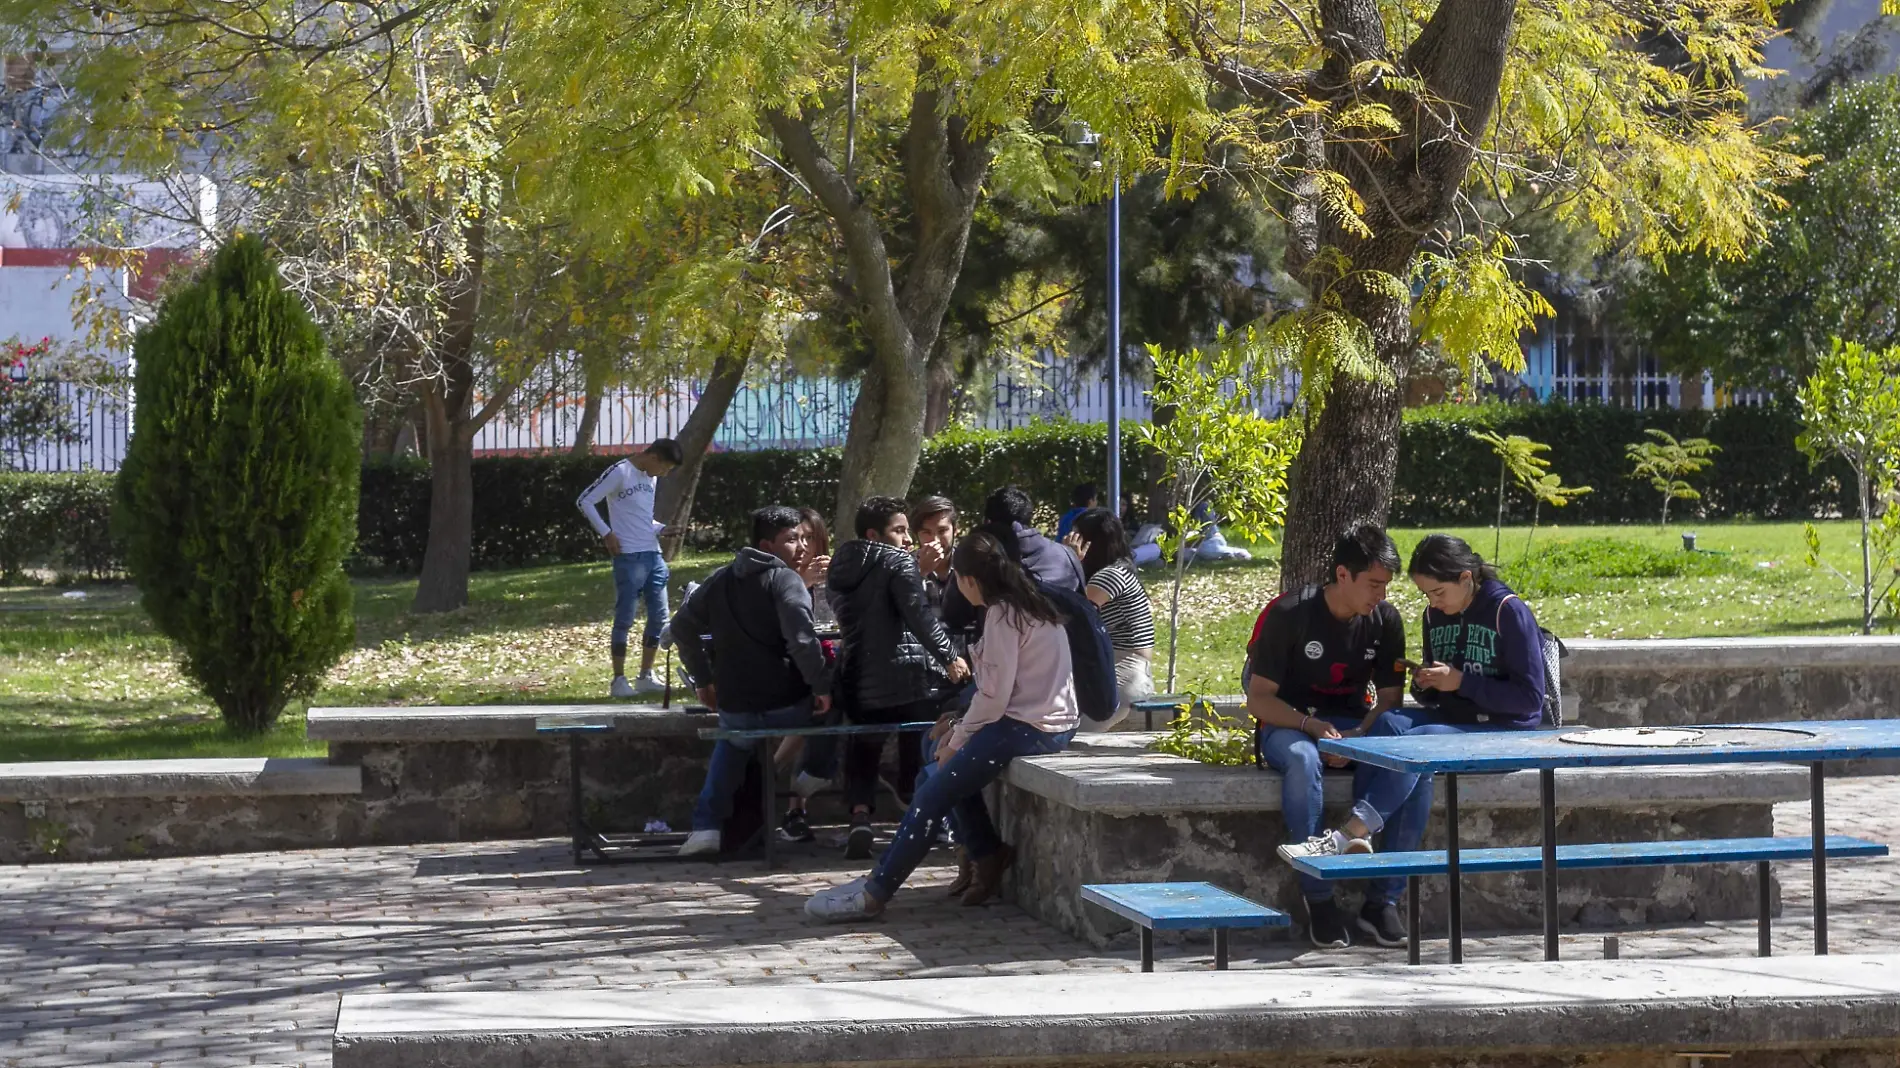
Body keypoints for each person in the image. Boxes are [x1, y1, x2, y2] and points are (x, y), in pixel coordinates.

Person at [804, 531, 1077, 922]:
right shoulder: (1024, 606)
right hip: (1036, 719)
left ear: (967, 579)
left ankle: (876, 891)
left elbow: (997, 697)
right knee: (932, 767)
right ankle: (985, 852)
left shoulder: (1003, 614)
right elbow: (1000, 693)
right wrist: (958, 726)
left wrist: (961, 736)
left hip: (1031, 726)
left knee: (933, 789)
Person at [1279, 535, 1549, 896]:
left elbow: (1531, 700)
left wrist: (1461, 682)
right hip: (1454, 721)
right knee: (1389, 725)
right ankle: (1371, 860)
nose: (1433, 603)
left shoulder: (1507, 611)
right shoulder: (1434, 616)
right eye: (1426, 595)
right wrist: (1426, 683)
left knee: (1418, 746)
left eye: (1438, 592)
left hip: (1504, 729)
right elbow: (1437, 693)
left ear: (1466, 579)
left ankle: (1351, 834)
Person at [1244, 524, 1411, 950]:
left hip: (1352, 726)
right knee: (1302, 760)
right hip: (1290, 725)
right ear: (1342, 575)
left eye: (1386, 586)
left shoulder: (1385, 620)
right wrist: (1312, 728)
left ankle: (1382, 901)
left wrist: (1357, 734)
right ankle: (1319, 899)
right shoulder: (1288, 614)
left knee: (1414, 755)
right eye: (1374, 584)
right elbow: (1259, 700)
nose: (1381, 596)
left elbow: (1390, 700)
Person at [670, 506, 833, 857]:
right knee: (836, 706)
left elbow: (681, 626)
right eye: (791, 540)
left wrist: (703, 679)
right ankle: (815, 776)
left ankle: (706, 827)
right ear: (766, 544)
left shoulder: (719, 579)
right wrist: (821, 685)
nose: (802, 547)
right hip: (786, 704)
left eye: (804, 538)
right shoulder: (786, 579)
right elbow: (802, 641)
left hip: (736, 705)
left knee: (731, 745)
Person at [826, 496, 971, 858]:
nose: (909, 540)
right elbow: (918, 616)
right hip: (905, 675)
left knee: (864, 747)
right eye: (900, 530)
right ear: (875, 534)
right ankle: (920, 815)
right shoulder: (897, 562)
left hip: (859, 676)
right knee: (917, 740)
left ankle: (859, 816)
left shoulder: (841, 564)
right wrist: (950, 657)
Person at [576, 439, 684, 697]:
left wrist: (661, 529)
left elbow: (643, 518)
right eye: (666, 468)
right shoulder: (620, 472)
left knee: (659, 617)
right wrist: (606, 533)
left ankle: (645, 676)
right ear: (654, 458)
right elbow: (585, 501)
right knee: (625, 618)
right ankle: (618, 680)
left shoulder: (651, 477)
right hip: (629, 557)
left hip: (653, 555)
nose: (665, 474)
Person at [1063, 507, 1154, 732]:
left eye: (1076, 537)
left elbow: (1073, 614)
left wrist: (1070, 562)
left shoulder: (1110, 575)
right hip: (1120, 670)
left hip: (1125, 673)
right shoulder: (1117, 570)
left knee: (1074, 737)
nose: (1067, 541)